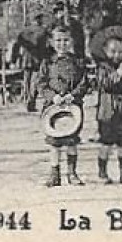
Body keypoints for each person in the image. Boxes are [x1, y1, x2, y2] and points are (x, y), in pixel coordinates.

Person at [38, 26, 89, 186]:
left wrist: (72, 95)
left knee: (71, 140)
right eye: (58, 40)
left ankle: (72, 173)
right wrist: (53, 97)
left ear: (71, 41)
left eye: (66, 40)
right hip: (53, 107)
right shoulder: (47, 62)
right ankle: (54, 174)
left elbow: (84, 83)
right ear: (52, 42)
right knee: (54, 141)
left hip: (72, 106)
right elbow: (41, 84)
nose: (62, 44)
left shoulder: (78, 62)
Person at [91, 26, 122, 184]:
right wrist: (119, 73)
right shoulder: (102, 68)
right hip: (107, 112)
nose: (117, 55)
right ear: (105, 50)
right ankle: (102, 173)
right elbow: (105, 84)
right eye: (113, 51)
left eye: (121, 52)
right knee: (106, 142)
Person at [13, 15, 49, 112]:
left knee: (26, 82)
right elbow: (46, 46)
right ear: (39, 19)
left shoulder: (24, 31)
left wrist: (14, 59)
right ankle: (31, 102)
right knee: (34, 82)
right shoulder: (42, 31)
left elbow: (16, 45)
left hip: (25, 60)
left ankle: (26, 101)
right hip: (37, 60)